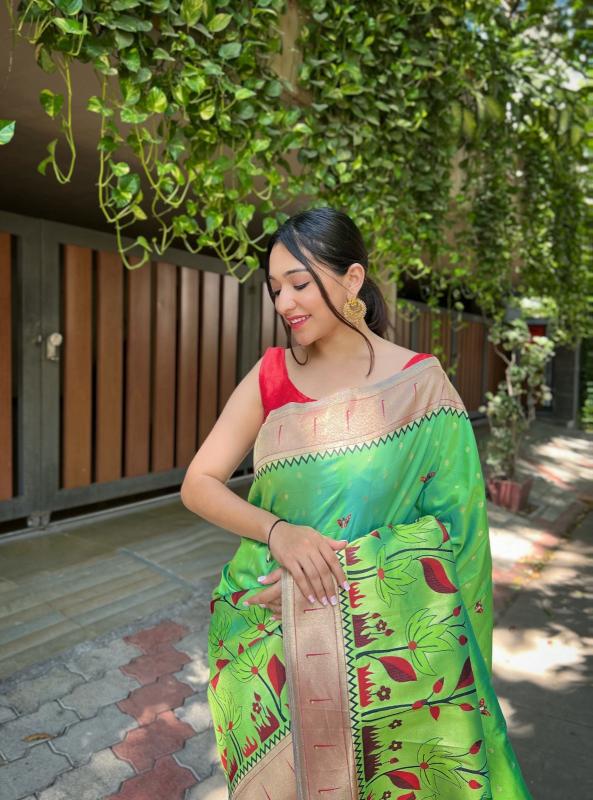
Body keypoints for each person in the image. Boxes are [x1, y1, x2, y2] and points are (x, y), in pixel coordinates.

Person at [180, 207, 533, 799]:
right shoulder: (271, 376)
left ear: (352, 279)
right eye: (275, 288)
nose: (285, 302)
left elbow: (457, 539)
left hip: (388, 659)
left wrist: (346, 575)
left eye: (299, 283)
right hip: (270, 641)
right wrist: (280, 533)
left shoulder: (421, 387)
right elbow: (199, 483)